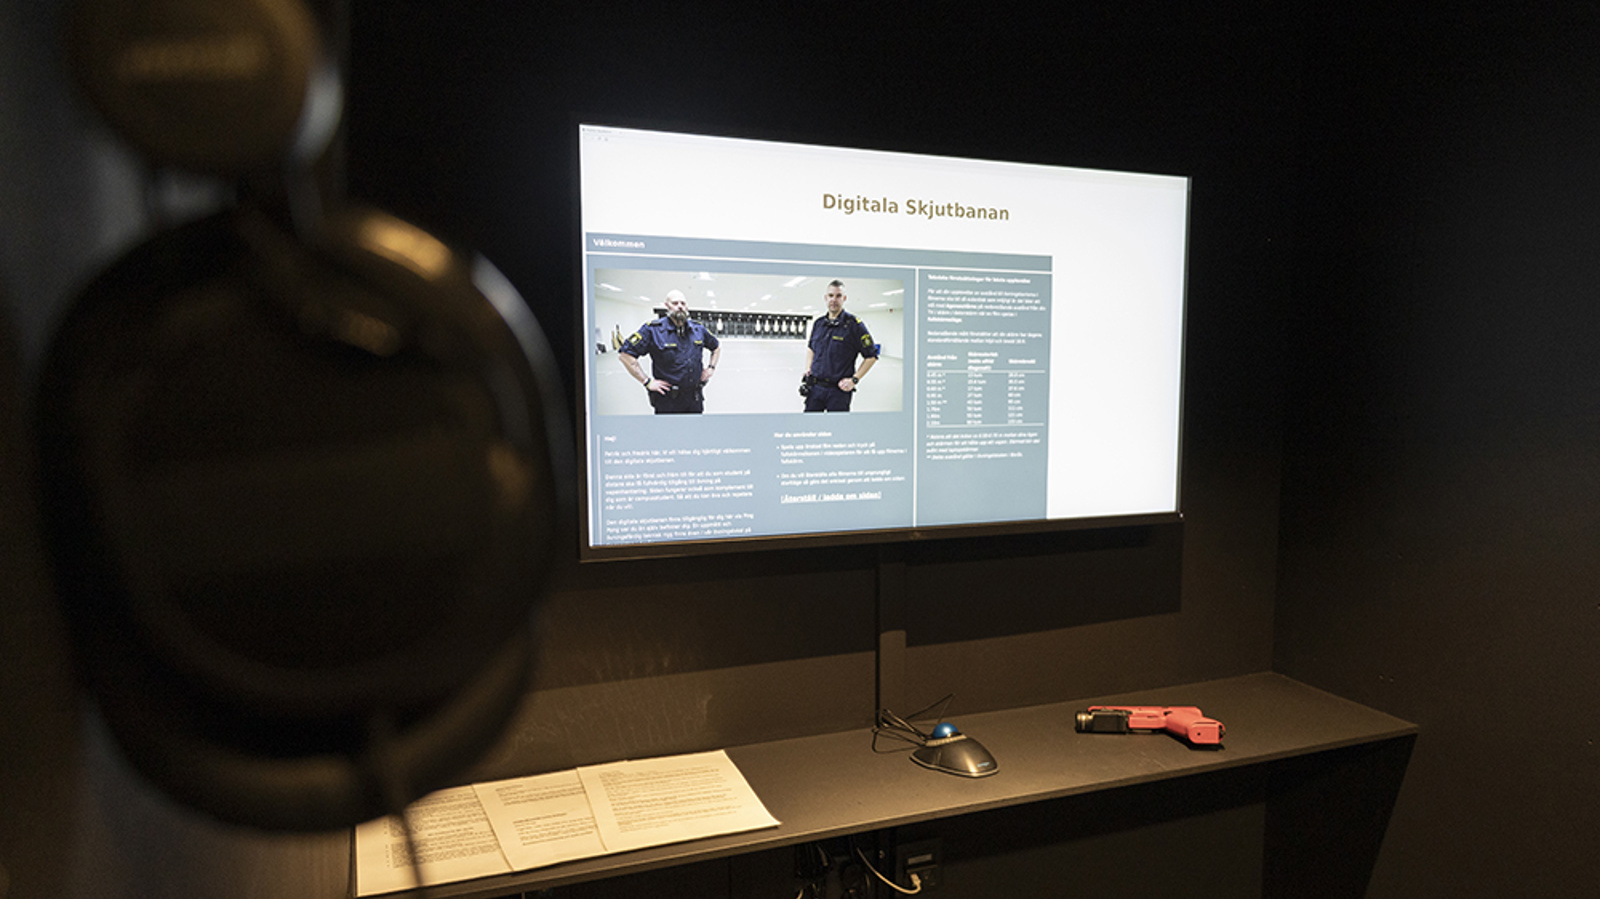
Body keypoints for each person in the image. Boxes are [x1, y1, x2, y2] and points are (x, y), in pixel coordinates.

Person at [618, 289, 721, 413]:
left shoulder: (698, 329)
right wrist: (647, 381)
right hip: (668, 400)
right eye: (675, 303)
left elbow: (716, 347)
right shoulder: (653, 330)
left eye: (683, 303)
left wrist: (711, 368)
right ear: (667, 306)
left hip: (694, 397)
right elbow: (625, 355)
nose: (680, 306)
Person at [803, 279, 877, 412]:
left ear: (844, 298)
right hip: (815, 389)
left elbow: (871, 356)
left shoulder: (854, 325)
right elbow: (811, 348)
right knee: (811, 423)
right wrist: (808, 368)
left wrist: (854, 380)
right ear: (826, 298)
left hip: (838, 392)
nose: (834, 300)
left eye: (838, 296)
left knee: (837, 424)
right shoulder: (818, 324)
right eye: (831, 295)